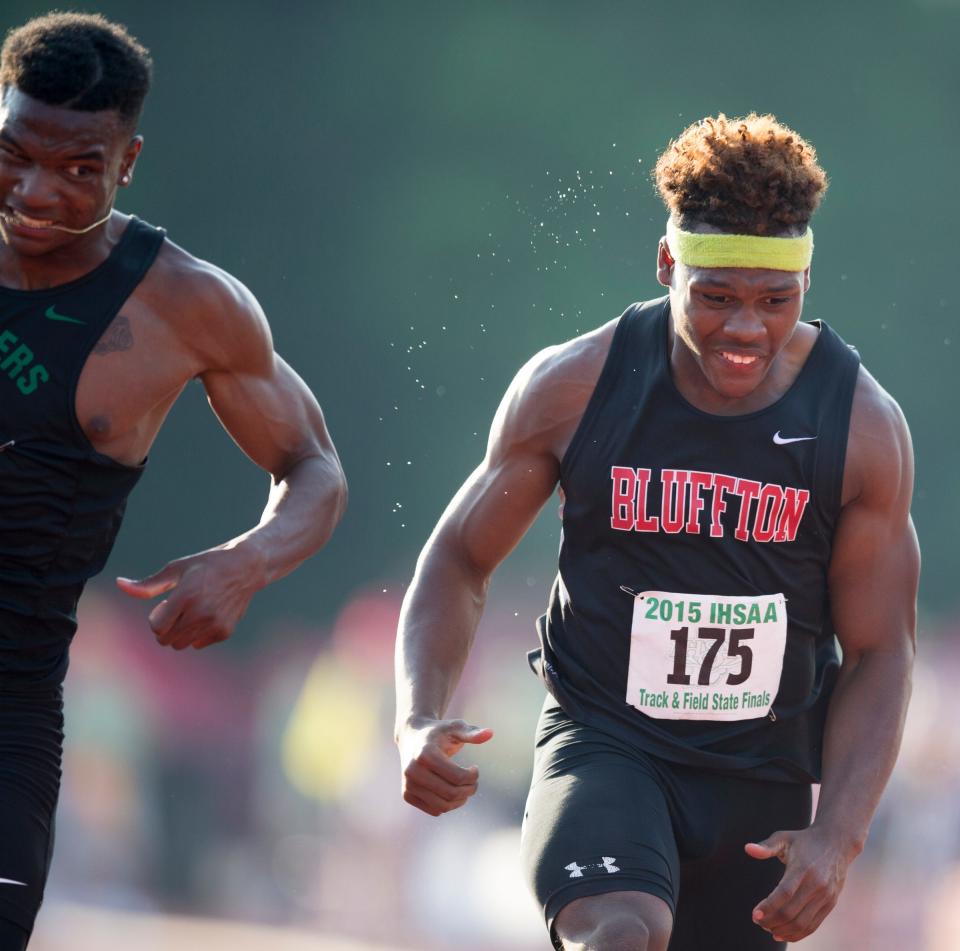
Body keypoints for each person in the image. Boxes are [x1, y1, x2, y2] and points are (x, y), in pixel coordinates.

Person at [395, 113, 918, 949]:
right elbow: (458, 558)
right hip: (606, 744)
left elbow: (882, 651)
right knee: (620, 934)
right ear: (668, 263)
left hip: (761, 781)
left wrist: (841, 834)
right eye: (715, 298)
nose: (745, 329)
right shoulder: (574, 388)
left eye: (774, 301)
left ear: (807, 284)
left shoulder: (860, 427)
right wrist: (417, 715)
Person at [0, 12, 346, 948]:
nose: (36, 192)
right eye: (14, 155)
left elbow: (314, 468)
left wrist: (247, 560)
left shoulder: (185, 305)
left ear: (129, 162)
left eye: (80, 169)